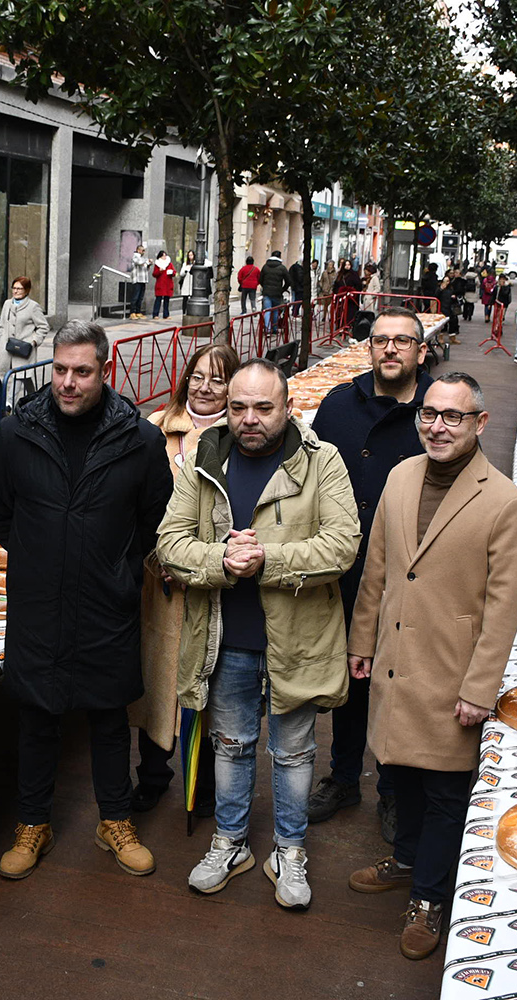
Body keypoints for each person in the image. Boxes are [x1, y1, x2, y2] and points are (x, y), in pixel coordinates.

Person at [157, 359, 360, 911]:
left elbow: (343, 543)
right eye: (238, 406)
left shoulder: (322, 462)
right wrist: (222, 558)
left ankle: (289, 851)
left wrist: (266, 558)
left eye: (264, 408)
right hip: (223, 639)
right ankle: (231, 842)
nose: (249, 419)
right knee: (231, 745)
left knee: (294, 753)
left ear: (288, 408)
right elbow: (169, 541)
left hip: (298, 638)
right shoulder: (203, 459)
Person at [346, 372, 517, 960]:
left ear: (480, 423)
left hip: (452, 671)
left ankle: (430, 899)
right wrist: (362, 641)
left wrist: (480, 689)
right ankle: (405, 859)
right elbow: (377, 567)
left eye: (453, 416)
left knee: (447, 791)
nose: (437, 426)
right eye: (430, 413)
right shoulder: (402, 476)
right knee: (398, 772)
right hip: (398, 660)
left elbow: (505, 610)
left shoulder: (505, 502)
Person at [0, 320, 172, 881]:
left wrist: (109, 563)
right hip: (39, 602)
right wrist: (45, 554)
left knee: (109, 715)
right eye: (60, 370)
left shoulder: (139, 439)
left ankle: (114, 819)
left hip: (107, 602)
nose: (67, 382)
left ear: (104, 371)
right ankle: (32, 823)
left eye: (81, 372)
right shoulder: (16, 434)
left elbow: (152, 520)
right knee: (38, 715)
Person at [307, 307, 435, 843]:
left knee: (396, 683)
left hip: (410, 571)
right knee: (348, 679)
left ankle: (391, 787)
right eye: (381, 340)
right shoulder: (339, 404)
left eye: (402, 342)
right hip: (343, 567)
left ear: (420, 352)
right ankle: (342, 776)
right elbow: (307, 473)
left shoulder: (437, 410)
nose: (389, 350)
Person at [131, 343, 241, 813]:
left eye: (218, 379)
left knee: (208, 686)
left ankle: (206, 788)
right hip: (158, 584)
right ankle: (153, 777)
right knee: (156, 683)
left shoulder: (240, 436)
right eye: (198, 376)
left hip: (211, 580)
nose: (205, 387)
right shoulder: (155, 427)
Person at [0, 275, 50, 378]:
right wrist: (2, 339)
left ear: (26, 290)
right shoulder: (7, 304)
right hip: (7, 350)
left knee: (20, 379)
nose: (16, 291)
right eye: (14, 288)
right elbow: (2, 324)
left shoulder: (33, 306)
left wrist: (33, 342)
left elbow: (44, 327)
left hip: (23, 351)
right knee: (12, 378)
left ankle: (10, 396)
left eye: (19, 288)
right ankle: (34, 394)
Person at [259, 250, 288, 330]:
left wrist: (265, 286)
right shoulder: (282, 268)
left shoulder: (265, 267)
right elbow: (288, 280)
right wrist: (283, 289)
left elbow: (260, 279)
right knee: (275, 310)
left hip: (267, 292)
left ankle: (267, 329)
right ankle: (274, 328)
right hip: (277, 293)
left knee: (267, 310)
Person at [152, 251, 178, 320]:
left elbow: (174, 272)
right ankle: (155, 314)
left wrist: (172, 272)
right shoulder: (157, 264)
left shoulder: (169, 263)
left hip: (168, 284)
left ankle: (166, 314)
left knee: (167, 300)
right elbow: (154, 274)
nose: (164, 257)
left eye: (165, 255)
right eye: (163, 256)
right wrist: (159, 271)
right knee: (158, 299)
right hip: (160, 284)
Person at [128, 244, 152, 318]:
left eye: (144, 250)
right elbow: (140, 263)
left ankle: (138, 311)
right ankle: (132, 312)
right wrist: (147, 261)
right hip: (137, 279)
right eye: (142, 250)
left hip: (143, 280)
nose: (144, 252)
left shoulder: (142, 258)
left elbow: (145, 267)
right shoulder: (135, 256)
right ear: (138, 250)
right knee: (135, 296)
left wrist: (148, 264)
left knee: (140, 297)